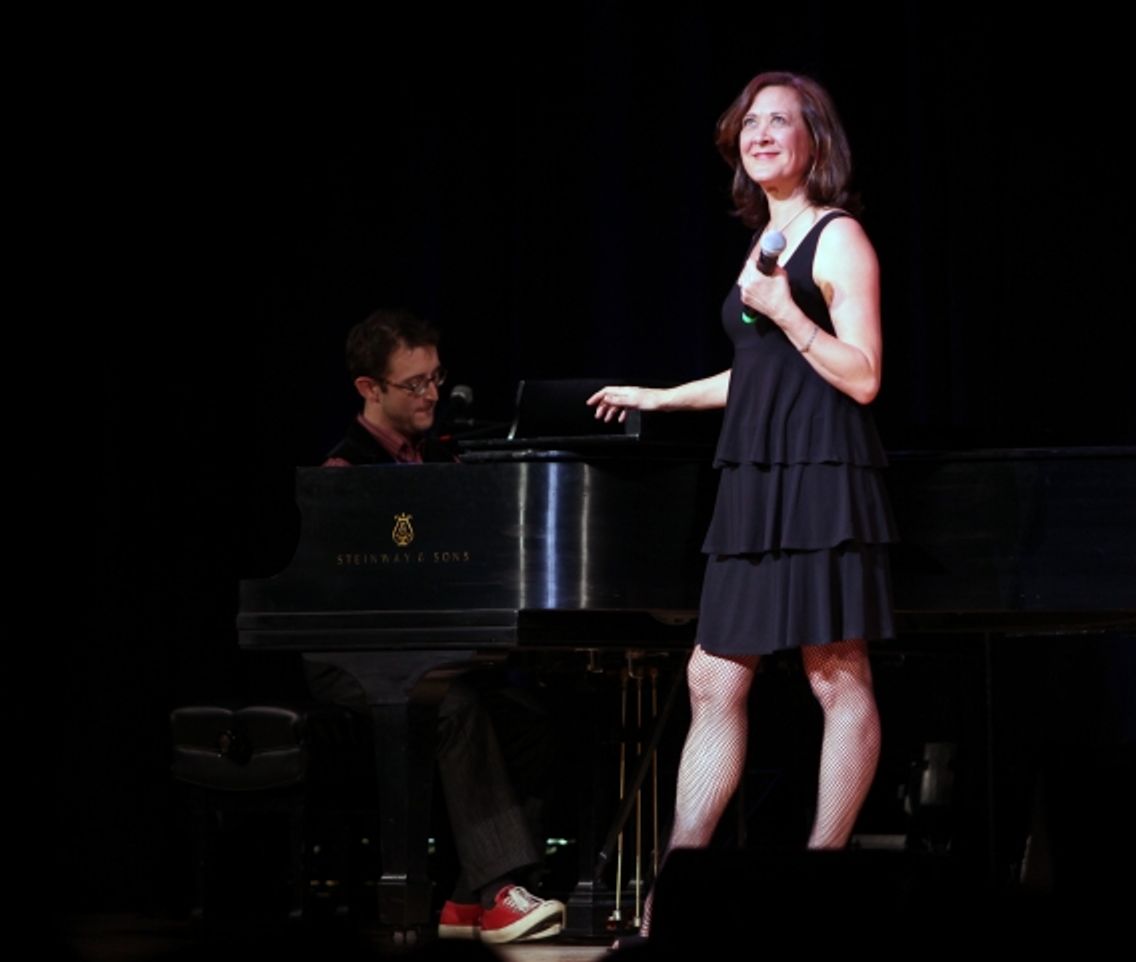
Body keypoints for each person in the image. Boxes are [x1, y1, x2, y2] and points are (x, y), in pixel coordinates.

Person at [588, 71, 896, 943]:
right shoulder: (764, 241)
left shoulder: (838, 239)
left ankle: (820, 875)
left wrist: (785, 314)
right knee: (713, 674)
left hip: (822, 473)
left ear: (814, 141)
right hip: (757, 475)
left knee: (836, 672)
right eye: (749, 123)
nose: (760, 134)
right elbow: (759, 374)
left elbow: (862, 375)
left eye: (780, 121)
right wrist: (659, 395)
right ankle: (682, 883)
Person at [303, 309, 566, 944]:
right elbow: (352, 606)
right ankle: (501, 890)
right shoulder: (345, 476)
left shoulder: (442, 457)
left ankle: (465, 902)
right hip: (353, 662)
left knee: (533, 721)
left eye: (436, 378)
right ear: (370, 389)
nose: (432, 394)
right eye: (414, 384)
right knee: (455, 705)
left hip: (428, 655)